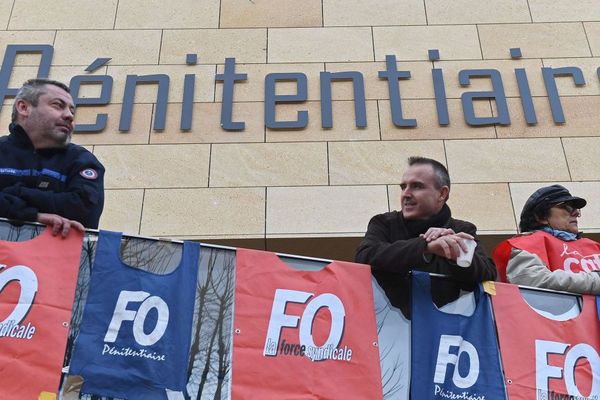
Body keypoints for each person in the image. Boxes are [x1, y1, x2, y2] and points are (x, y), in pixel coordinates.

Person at [355, 156, 497, 316]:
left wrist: (455, 252)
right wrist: (425, 247)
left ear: (442, 194)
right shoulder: (384, 223)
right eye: (403, 187)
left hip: (443, 332)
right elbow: (364, 256)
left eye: (416, 186)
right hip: (387, 332)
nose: (406, 194)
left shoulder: (462, 230)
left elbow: (489, 275)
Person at [0, 78, 104, 236]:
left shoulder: (82, 160)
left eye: (72, 111)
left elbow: (83, 210)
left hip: (53, 259)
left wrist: (18, 193)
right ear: (23, 107)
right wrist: (33, 216)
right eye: (58, 105)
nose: (69, 116)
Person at [493, 185, 600, 294]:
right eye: (566, 207)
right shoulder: (524, 244)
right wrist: (595, 281)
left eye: (576, 209)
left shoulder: (595, 246)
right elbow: (532, 281)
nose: (576, 213)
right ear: (541, 217)